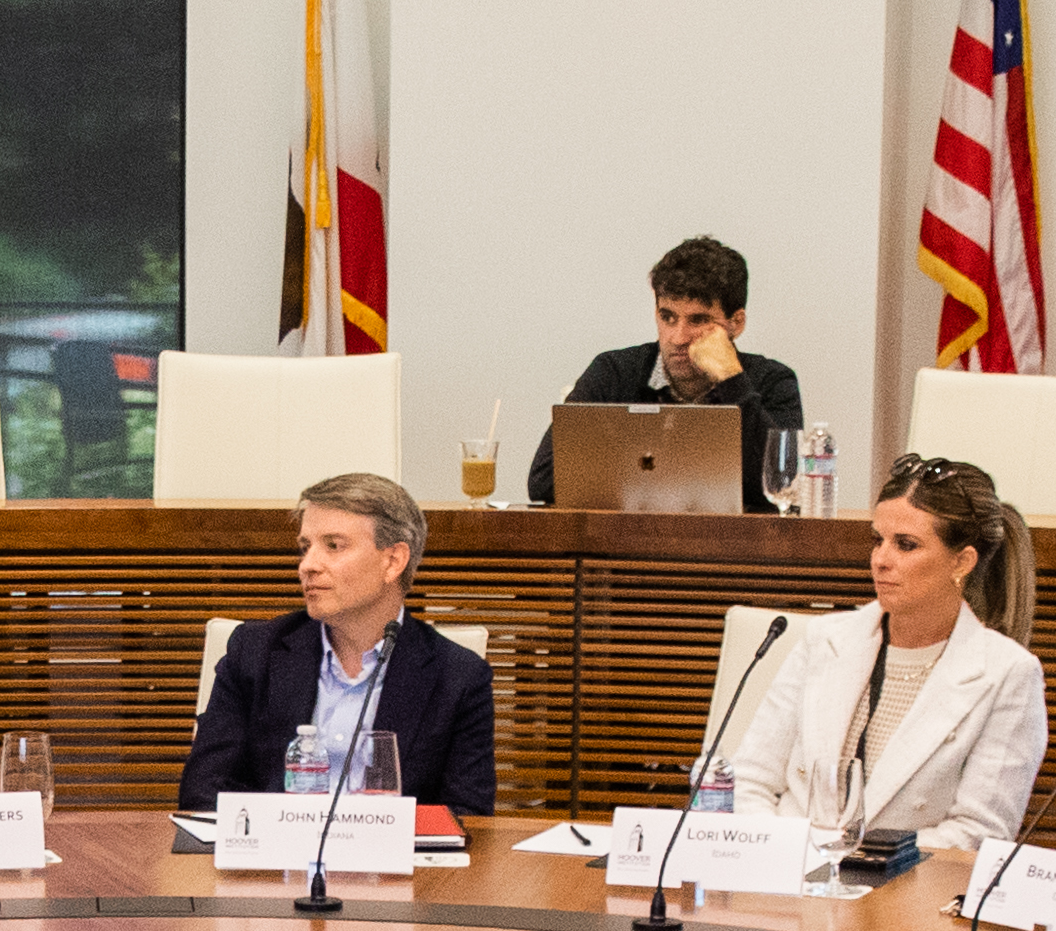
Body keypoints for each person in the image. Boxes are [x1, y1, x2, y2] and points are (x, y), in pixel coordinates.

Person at [719, 458, 1051, 856]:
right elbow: (751, 778)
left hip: (900, 892)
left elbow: (979, 834)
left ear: (961, 561)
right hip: (784, 873)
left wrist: (851, 856)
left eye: (905, 544)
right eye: (878, 539)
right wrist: (785, 854)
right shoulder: (825, 638)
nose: (880, 559)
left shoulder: (1008, 673)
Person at [174, 471, 500, 813]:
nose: (307, 565)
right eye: (305, 547)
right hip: (272, 861)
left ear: (392, 561)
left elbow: (467, 816)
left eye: (333, 545)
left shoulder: (459, 676)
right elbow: (202, 793)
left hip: (391, 864)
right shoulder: (255, 651)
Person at [538, 234, 804, 507]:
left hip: (731, 546)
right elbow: (542, 480)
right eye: (668, 317)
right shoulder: (613, 372)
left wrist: (732, 380)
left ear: (735, 323)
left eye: (698, 320)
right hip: (629, 542)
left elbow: (784, 488)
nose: (678, 337)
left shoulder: (772, 381)